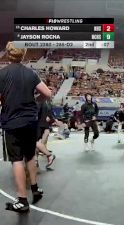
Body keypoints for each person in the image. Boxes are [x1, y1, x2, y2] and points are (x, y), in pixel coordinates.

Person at [0, 42, 52, 212]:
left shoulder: (2, 74)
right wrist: (35, 102)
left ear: (8, 54)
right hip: (30, 121)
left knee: (16, 160)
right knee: (30, 156)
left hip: (12, 122)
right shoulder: (31, 73)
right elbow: (48, 93)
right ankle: (35, 190)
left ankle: (22, 200)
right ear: (23, 55)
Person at [36, 97, 56, 168]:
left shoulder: (48, 102)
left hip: (43, 126)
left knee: (38, 144)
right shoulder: (39, 99)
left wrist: (51, 119)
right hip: (40, 125)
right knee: (38, 144)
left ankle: (47, 156)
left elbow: (50, 113)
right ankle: (36, 160)